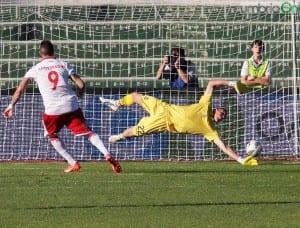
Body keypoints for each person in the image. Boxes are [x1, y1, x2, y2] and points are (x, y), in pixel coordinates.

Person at [2, 40, 122, 173]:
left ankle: (73, 163)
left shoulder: (35, 69)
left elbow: (20, 90)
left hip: (53, 109)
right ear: (53, 52)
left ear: (40, 53)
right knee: (88, 133)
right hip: (71, 105)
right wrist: (80, 94)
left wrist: (11, 105)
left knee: (51, 134)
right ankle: (107, 154)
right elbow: (81, 84)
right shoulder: (63, 64)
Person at [99, 80, 258, 166]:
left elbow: (224, 147)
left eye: (224, 116)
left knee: (134, 132)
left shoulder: (210, 130)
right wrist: (232, 84)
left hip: (163, 122)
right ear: (215, 109)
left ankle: (120, 136)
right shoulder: (205, 104)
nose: (223, 116)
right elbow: (211, 84)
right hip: (164, 108)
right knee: (135, 96)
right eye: (222, 112)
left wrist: (241, 159)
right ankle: (116, 104)